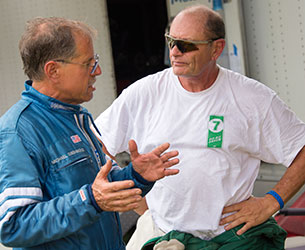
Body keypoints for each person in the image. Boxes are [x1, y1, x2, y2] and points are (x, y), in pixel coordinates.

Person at [93, 4, 305, 249]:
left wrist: (271, 202)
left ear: (216, 49)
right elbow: (97, 144)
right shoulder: (144, 93)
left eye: (185, 45)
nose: (174, 52)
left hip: (235, 238)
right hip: (166, 235)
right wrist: (131, 193)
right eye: (170, 41)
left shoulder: (252, 98)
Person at [0, 17, 180, 250]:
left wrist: (137, 176)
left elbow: (103, 190)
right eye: (88, 63)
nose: (98, 71)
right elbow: (13, 225)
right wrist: (90, 200)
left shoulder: (77, 117)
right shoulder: (18, 131)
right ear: (53, 70)